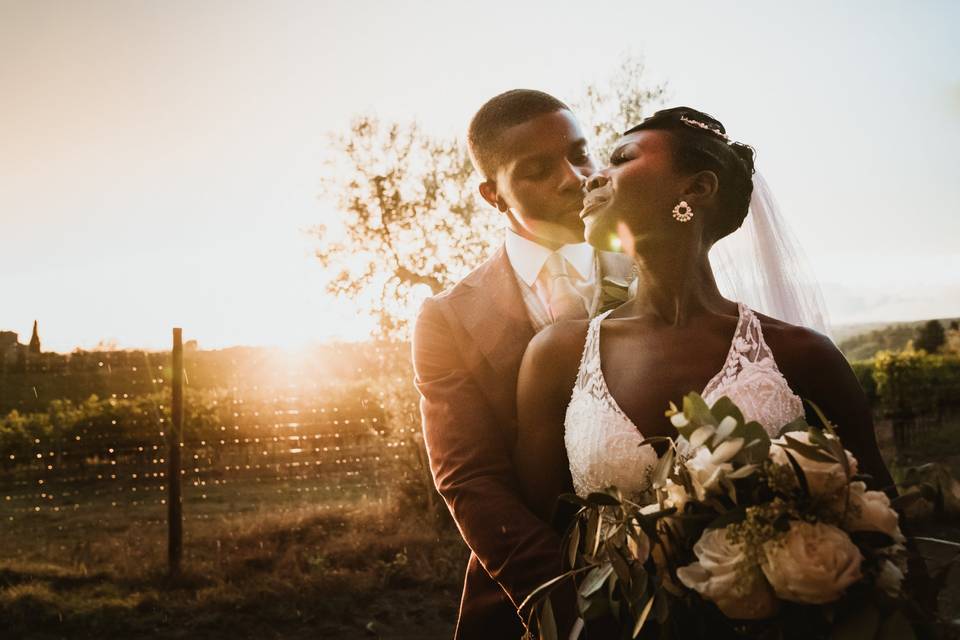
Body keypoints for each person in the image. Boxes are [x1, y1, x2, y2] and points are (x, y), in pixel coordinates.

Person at [514, 105, 894, 543]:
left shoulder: (802, 355)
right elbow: (541, 538)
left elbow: (884, 529)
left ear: (697, 188)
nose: (593, 178)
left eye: (622, 159)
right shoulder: (556, 355)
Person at [412, 89, 635, 639]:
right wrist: (571, 608)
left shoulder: (651, 268)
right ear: (493, 194)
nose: (573, 177)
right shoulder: (447, 318)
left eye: (580, 153)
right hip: (531, 601)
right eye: (537, 170)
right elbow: (470, 480)